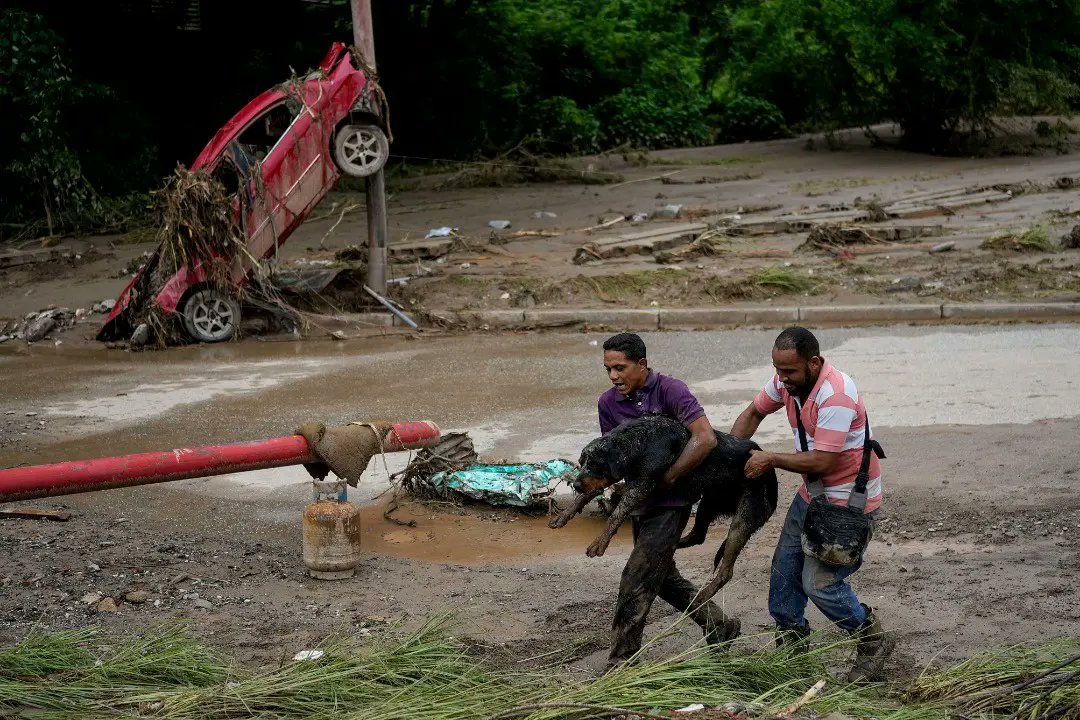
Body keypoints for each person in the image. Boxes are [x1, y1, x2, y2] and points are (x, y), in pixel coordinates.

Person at [729, 326, 893, 682]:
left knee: (819, 583)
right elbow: (753, 413)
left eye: (789, 372)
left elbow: (822, 462)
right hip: (813, 496)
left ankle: (872, 639)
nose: (781, 380)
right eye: (777, 370)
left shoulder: (836, 395)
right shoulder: (788, 382)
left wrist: (769, 458)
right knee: (783, 574)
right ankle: (792, 654)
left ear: (814, 363)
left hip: (849, 504)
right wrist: (727, 454)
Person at [596, 332, 740, 667]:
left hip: (673, 501)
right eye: (608, 369)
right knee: (662, 577)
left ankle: (622, 663)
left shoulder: (670, 390)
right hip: (639, 501)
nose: (613, 376)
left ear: (642, 364)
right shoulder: (607, 404)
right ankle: (718, 625)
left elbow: (704, 439)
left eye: (620, 367)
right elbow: (614, 454)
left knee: (636, 576)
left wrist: (669, 478)